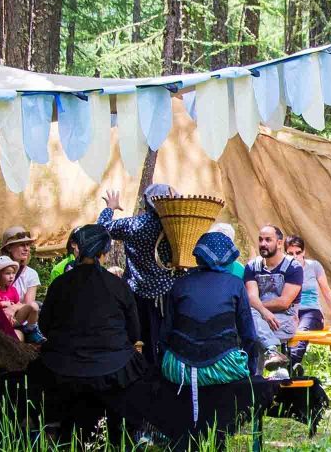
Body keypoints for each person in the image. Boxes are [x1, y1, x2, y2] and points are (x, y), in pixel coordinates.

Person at [32, 225, 146, 442]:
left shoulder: (60, 283)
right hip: (112, 368)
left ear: (78, 248)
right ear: (104, 251)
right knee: (139, 366)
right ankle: (131, 433)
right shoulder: (118, 285)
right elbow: (134, 333)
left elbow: (44, 326)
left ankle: (53, 427)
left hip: (63, 367)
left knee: (40, 367)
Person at [154, 231, 262, 445]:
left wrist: (163, 365)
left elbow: (165, 334)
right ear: (228, 258)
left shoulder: (180, 284)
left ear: (198, 256)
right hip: (223, 369)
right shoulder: (235, 284)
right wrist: (251, 370)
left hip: (179, 370)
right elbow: (248, 334)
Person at [99, 184, 183, 367]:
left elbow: (102, 228)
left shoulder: (133, 225)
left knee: (139, 337)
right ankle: (166, 372)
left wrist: (110, 208)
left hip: (136, 293)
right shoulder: (177, 226)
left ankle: (141, 372)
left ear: (145, 202)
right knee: (167, 336)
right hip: (167, 292)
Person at [245, 225, 305, 373]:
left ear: (279, 243)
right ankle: (272, 353)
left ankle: (256, 381)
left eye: (268, 240)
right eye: (260, 240)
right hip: (260, 318)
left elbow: (284, 302)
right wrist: (263, 312)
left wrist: (258, 308)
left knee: (251, 329)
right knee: (250, 319)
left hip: (284, 320)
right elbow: (251, 297)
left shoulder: (294, 268)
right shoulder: (252, 266)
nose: (263, 244)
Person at [0, 227, 44, 338]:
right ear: (9, 247)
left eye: (28, 245)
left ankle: (31, 333)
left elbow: (28, 304)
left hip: (18, 321)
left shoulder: (31, 274)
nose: (26, 249)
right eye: (22, 245)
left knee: (16, 336)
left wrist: (13, 308)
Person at [286, 235, 331, 362]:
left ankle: (290, 364)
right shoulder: (284, 269)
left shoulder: (314, 266)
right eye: (290, 253)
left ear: (303, 252)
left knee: (302, 332)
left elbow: (326, 291)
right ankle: (290, 366)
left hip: (311, 311)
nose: (295, 256)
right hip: (291, 311)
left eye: (298, 252)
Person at [0, 255, 42, 342]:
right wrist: (1, 304)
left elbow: (19, 304)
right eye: (8, 273)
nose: (11, 276)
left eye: (13, 273)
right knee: (15, 339)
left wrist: (13, 307)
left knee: (34, 306)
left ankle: (31, 330)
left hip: (13, 321)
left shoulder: (13, 290)